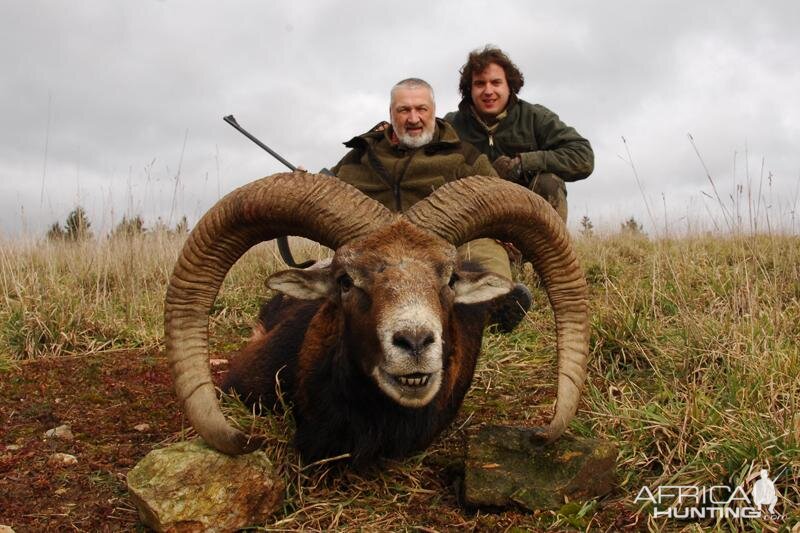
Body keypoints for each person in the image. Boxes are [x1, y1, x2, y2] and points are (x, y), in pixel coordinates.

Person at [332, 78, 531, 332]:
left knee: (482, 248)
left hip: (443, 247)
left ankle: (494, 305)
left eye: (421, 109)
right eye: (404, 110)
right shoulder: (360, 155)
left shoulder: (464, 155)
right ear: (391, 114)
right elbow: (331, 191)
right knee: (340, 265)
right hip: (378, 250)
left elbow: (498, 199)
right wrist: (306, 182)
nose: (413, 118)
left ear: (433, 111)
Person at [445, 46, 594, 223]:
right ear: (469, 89)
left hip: (526, 222)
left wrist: (524, 163)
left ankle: (547, 251)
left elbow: (583, 156)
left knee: (549, 182)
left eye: (496, 82)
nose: (488, 91)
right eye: (480, 84)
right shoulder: (451, 125)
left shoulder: (535, 117)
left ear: (510, 86)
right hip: (472, 219)